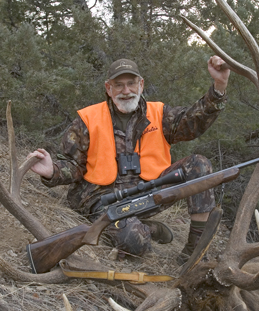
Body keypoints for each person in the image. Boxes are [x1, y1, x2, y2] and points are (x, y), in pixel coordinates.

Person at [28, 57, 230, 262]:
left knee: (199, 165)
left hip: (147, 192)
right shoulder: (88, 119)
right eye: (119, 85)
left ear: (141, 85)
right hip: (100, 199)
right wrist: (52, 170)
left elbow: (193, 121)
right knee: (136, 241)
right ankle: (147, 229)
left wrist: (219, 86)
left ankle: (194, 253)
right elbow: (73, 164)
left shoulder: (160, 114)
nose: (126, 91)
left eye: (131, 83)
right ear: (108, 88)